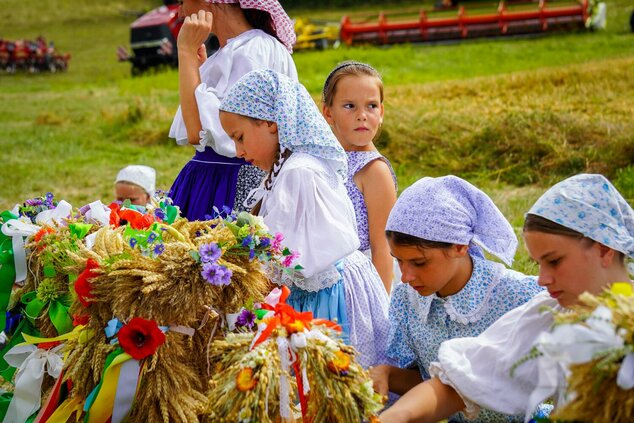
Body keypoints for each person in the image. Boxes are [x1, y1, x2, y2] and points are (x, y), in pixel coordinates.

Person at [379, 173, 634, 422]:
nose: (543, 279)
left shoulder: (625, 323)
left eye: (554, 262)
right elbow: (464, 381)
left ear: (604, 250)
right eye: (539, 264)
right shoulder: (548, 316)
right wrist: (398, 415)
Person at [218, 69, 390, 367]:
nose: (238, 151)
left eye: (240, 137)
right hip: (321, 284)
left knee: (324, 378)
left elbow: (296, 259)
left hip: (329, 294)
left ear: (270, 123)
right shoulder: (285, 170)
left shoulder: (299, 172)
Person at [371, 175, 543, 422]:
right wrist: (389, 374)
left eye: (419, 262)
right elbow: (436, 385)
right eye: (398, 260)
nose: (406, 276)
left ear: (460, 246)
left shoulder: (517, 296)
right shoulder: (407, 301)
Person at [169, 0, 297, 220]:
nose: (180, 11)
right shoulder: (233, 51)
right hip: (212, 179)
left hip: (230, 183)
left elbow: (197, 132)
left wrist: (186, 51)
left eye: (182, 1)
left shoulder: (253, 50)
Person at [322, 61, 397, 292]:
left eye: (371, 106)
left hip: (362, 284)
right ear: (328, 112)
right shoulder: (327, 159)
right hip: (327, 278)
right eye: (349, 106)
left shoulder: (374, 170)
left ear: (381, 112)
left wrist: (381, 306)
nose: (362, 116)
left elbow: (383, 248)